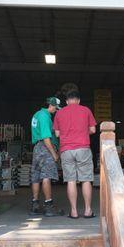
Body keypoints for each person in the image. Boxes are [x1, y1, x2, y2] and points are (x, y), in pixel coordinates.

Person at [53, 91, 97, 219]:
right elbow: (93, 130)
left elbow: (56, 134)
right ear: (78, 100)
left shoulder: (59, 113)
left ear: (66, 101)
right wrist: (82, 133)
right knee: (86, 179)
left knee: (70, 180)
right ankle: (88, 211)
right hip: (83, 148)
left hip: (66, 149)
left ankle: (74, 211)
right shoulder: (86, 110)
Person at [30, 97, 61, 217]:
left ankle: (35, 205)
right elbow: (46, 138)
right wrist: (54, 154)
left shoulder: (37, 114)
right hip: (45, 148)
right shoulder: (44, 116)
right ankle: (49, 206)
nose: (56, 111)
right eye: (56, 108)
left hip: (37, 148)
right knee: (46, 176)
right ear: (51, 105)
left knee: (36, 177)